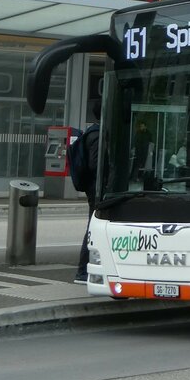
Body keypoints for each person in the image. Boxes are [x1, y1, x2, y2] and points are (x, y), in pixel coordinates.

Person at [75, 98, 101, 285]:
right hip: (96, 188)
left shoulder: (91, 132)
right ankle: (83, 270)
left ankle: (86, 269)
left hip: (92, 187)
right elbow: (95, 164)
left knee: (93, 225)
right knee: (93, 227)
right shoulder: (98, 134)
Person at [130, 119, 152, 184]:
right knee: (137, 165)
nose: (141, 128)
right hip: (138, 152)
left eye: (142, 126)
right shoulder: (138, 133)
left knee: (144, 165)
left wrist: (150, 151)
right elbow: (135, 141)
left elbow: (151, 142)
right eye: (140, 126)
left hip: (145, 152)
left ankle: (142, 177)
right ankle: (135, 177)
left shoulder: (148, 134)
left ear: (145, 126)